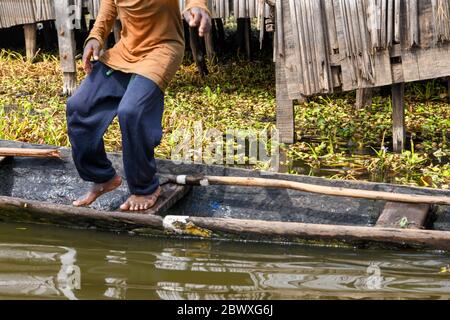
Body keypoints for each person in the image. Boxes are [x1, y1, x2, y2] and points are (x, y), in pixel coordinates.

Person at [66, 0, 211, 211]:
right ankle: (102, 177)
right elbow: (109, 8)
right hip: (125, 51)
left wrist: (197, 6)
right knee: (79, 105)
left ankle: (145, 188)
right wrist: (96, 37)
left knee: (131, 111)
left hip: (162, 49)